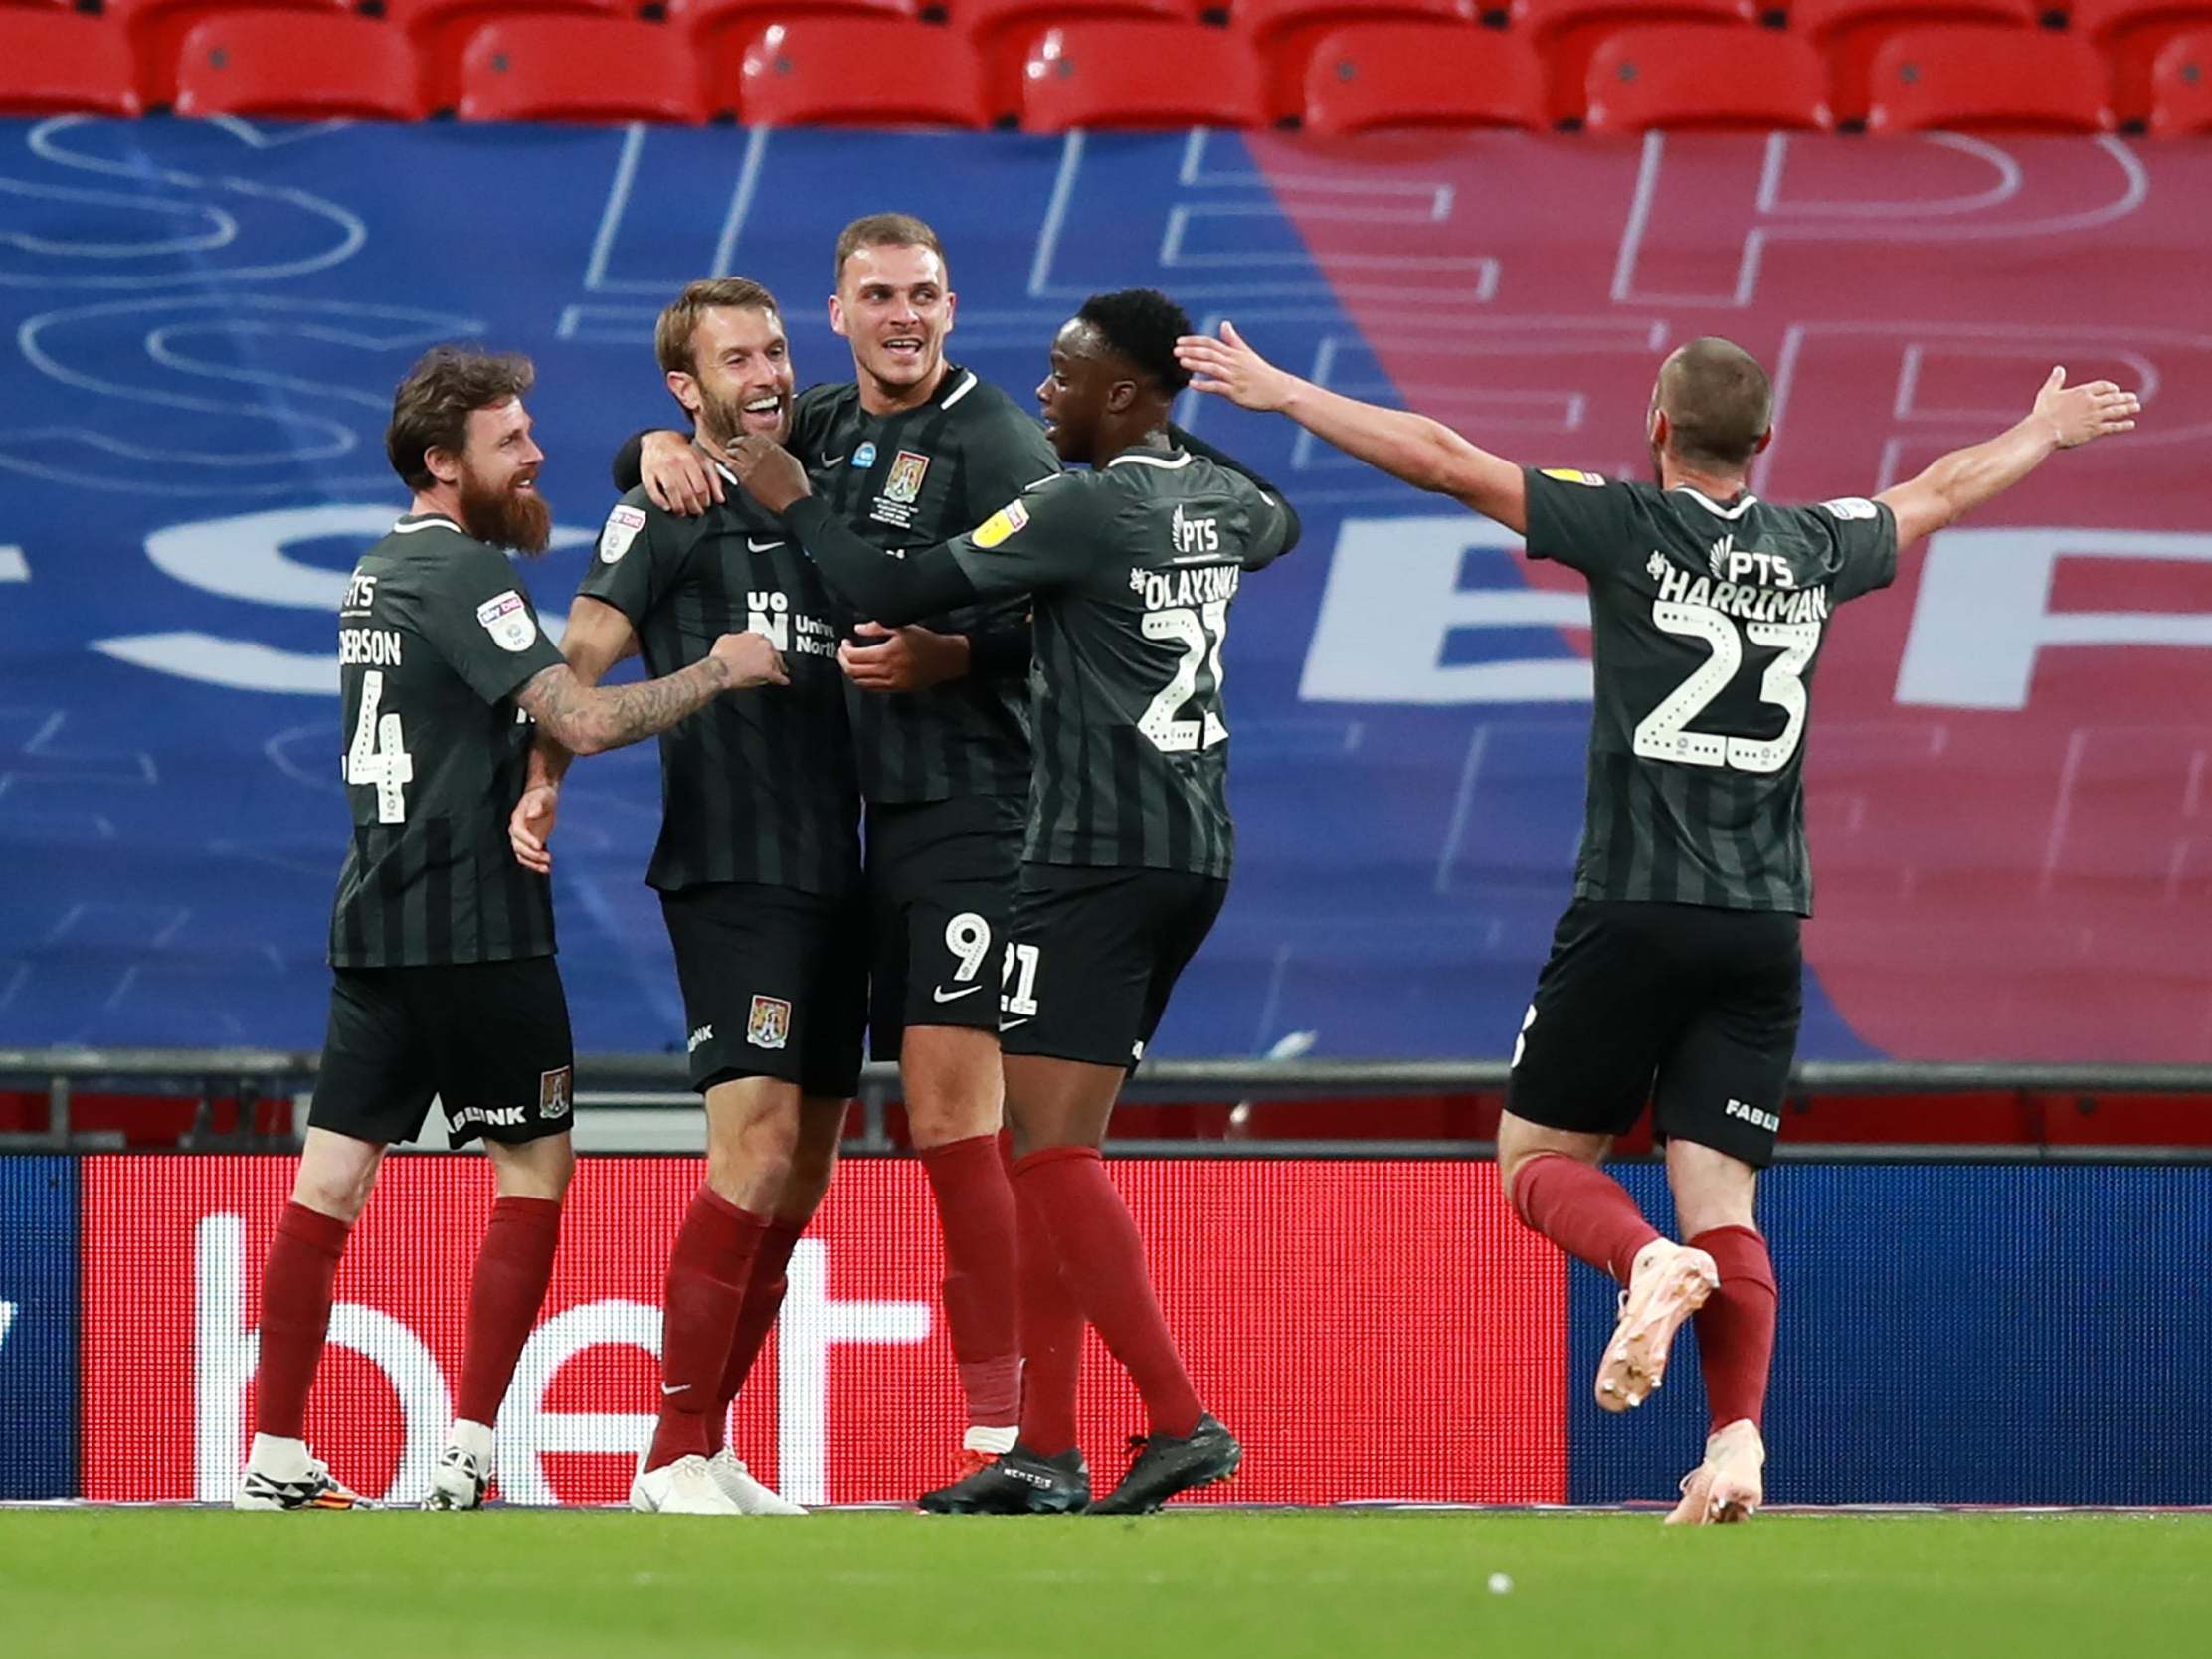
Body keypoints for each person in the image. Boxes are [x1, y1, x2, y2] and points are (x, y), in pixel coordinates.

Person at [1175, 323, 2139, 1524]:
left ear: (1657, 430)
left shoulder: (1625, 525)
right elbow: (1942, 488)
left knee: (1535, 1164)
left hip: (1634, 905)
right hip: (1761, 923)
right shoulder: (1814, 542)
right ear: (1767, 443)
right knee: (1722, 1198)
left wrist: (1277, 392)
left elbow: (1435, 455)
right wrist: (2044, 431)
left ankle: (1642, 1263)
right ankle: (1736, 1442)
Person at [726, 287, 1301, 1516]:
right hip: (1191, 847)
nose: (1044, 394)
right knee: (1052, 1147)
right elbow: (1282, 521)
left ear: (1126, 394)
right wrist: (1173, 427)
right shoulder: (1213, 500)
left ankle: (1180, 1417)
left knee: (1049, 1154)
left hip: (1089, 850)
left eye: (1068, 376)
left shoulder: (1075, 504)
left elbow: (886, 578)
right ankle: (1044, 1445)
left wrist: (791, 498)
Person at [235, 346, 787, 1512]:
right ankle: (472, 1449)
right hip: (478, 927)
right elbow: (580, 717)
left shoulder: (375, 573)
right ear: (443, 463)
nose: (536, 455)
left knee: (327, 1185)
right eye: (510, 441)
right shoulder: (463, 575)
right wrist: (720, 669)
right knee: (533, 1174)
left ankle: (272, 1455)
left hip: (375, 921)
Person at [617, 214, 1060, 1493]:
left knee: (951, 1116)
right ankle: (694, 1448)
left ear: (954, 304)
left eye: (923, 292)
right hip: (872, 834)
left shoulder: (993, 438)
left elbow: (1076, 610)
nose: (903, 315)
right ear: (842, 312)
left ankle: (1005, 1438)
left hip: (980, 809)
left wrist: (955, 656)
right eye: (878, 295)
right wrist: (649, 444)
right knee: (852, 1139)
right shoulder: (818, 424)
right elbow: (709, 441)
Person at [511, 278, 861, 1517]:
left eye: (774, 349)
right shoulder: (662, 511)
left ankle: (707, 1446)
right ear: (686, 386)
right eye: (735, 359)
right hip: (733, 865)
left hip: (848, 872)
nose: (764, 373)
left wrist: (658, 438)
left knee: (806, 1170)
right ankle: (665, 1453)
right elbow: (579, 665)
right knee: (751, 1145)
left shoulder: (829, 470)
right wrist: (544, 778)